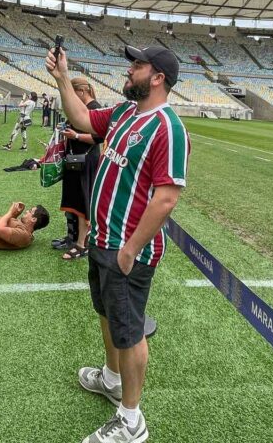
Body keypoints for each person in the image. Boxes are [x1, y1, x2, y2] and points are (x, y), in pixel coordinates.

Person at [47, 44, 189, 443]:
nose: (129, 70)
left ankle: (131, 420)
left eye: (138, 66)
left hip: (130, 251)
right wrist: (62, 77)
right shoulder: (126, 112)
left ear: (157, 77)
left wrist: (130, 249)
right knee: (107, 315)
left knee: (130, 331)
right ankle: (111, 380)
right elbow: (81, 117)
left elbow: (166, 197)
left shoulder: (168, 128)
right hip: (103, 240)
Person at [57, 78, 103, 261]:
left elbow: (98, 137)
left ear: (82, 92)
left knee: (84, 202)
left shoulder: (95, 107)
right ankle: (74, 237)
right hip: (75, 160)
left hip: (86, 161)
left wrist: (75, 135)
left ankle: (82, 245)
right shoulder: (81, 108)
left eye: (73, 94)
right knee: (74, 200)